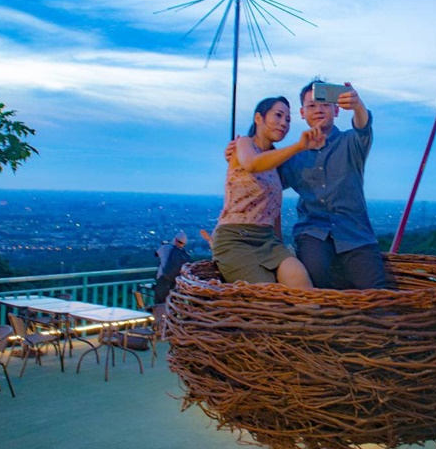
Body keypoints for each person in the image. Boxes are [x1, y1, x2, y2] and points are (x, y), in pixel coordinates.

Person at [230, 80, 392, 290]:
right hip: (312, 233)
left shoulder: (352, 143)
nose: (318, 110)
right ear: (302, 112)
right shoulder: (293, 156)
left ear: (336, 109)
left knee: (377, 292)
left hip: (355, 232)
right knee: (313, 282)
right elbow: (262, 175)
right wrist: (238, 154)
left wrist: (357, 104)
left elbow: (363, 125)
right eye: (311, 106)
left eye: (324, 104)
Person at [212, 96, 321, 289]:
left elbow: (273, 210)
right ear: (258, 118)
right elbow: (253, 164)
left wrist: (280, 244)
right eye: (278, 115)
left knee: (300, 281)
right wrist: (298, 146)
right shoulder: (244, 143)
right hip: (236, 238)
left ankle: (309, 319)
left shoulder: (275, 163)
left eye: (288, 119)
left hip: (267, 240)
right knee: (269, 295)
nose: (283, 123)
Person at [153, 231, 190, 304]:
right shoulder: (184, 254)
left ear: (175, 240)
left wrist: (164, 244)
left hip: (163, 280)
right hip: (176, 283)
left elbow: (156, 254)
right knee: (173, 304)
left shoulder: (166, 248)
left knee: (160, 303)